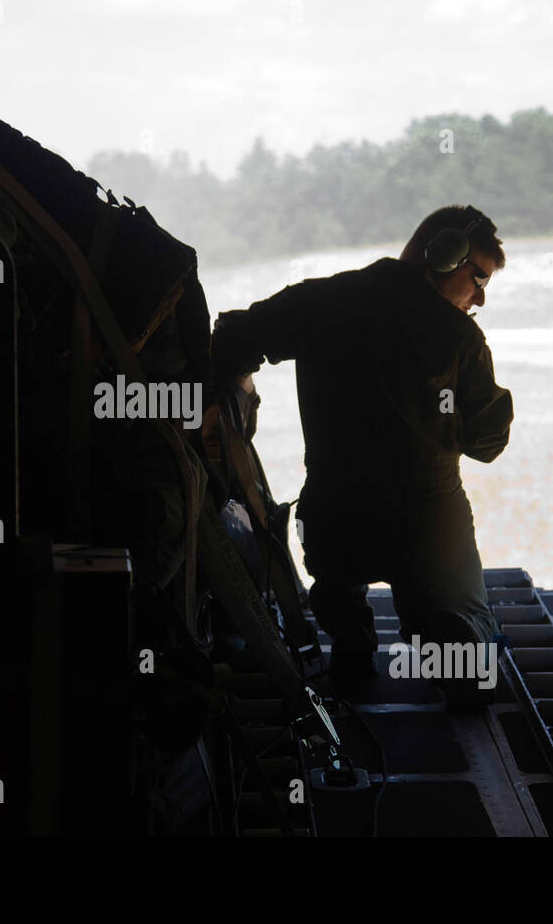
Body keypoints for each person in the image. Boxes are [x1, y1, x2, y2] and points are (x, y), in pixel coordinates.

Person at [210, 205, 513, 706]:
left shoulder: (323, 300)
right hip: (429, 523)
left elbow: (234, 339)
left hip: (334, 519)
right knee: (460, 624)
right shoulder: (459, 336)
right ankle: (454, 643)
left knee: (334, 583)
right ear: (443, 255)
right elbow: (488, 443)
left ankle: (351, 647)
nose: (479, 296)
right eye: (477, 278)